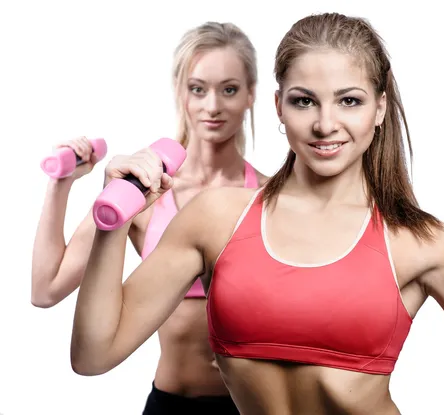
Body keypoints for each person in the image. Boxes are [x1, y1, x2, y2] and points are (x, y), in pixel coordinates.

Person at [69, 12, 444, 415]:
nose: (325, 123)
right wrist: (112, 222)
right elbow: (94, 357)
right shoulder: (216, 218)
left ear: (380, 109)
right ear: (276, 107)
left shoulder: (417, 242)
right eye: (303, 101)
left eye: (350, 101)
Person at [31, 22, 267, 414]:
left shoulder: (269, 195)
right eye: (198, 89)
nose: (212, 106)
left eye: (229, 89)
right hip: (168, 405)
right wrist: (62, 184)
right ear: (181, 93)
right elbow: (45, 289)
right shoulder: (144, 189)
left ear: (250, 96)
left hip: (248, 407)